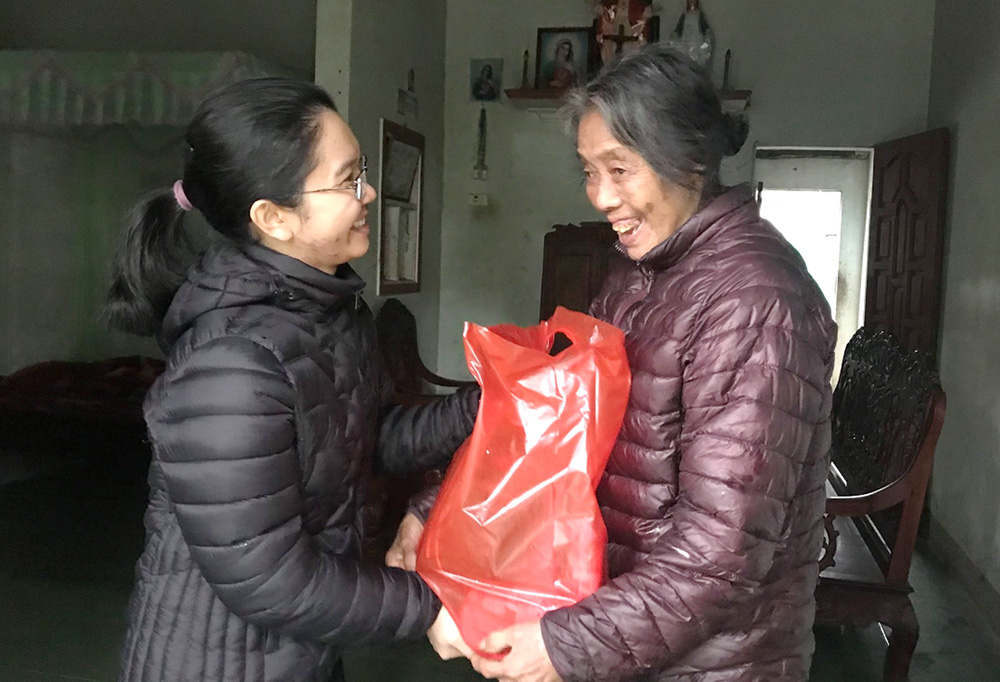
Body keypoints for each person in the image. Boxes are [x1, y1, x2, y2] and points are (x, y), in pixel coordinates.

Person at [429, 43, 837, 681]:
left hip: (713, 664)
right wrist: (435, 507)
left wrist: (566, 645)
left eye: (620, 169)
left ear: (694, 160)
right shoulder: (639, 272)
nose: (599, 196)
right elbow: (562, 422)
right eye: (589, 171)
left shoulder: (756, 300)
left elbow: (721, 553)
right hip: (633, 634)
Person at [104, 77, 478, 682]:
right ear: (274, 217)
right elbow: (269, 577)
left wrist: (482, 408)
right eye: (349, 179)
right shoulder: (230, 364)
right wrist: (428, 609)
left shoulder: (328, 309)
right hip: (216, 664)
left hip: (301, 649)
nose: (371, 193)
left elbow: (363, 437)